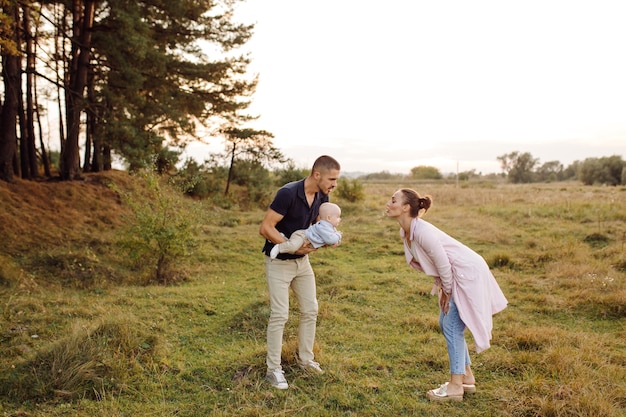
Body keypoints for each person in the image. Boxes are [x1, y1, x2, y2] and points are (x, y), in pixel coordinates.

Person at [385, 188, 508, 402]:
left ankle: (455, 386)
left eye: (393, 200)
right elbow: (436, 264)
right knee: (447, 324)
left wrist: (447, 290)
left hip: (466, 273)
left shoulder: (422, 232)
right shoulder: (407, 231)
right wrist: (443, 287)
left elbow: (443, 263)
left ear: (406, 207)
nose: (388, 203)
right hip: (456, 274)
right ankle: (466, 376)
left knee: (451, 325)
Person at [259, 155, 341, 389]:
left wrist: (323, 242)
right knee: (280, 315)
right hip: (279, 263)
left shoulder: (323, 197)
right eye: (332, 179)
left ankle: (306, 360)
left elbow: (319, 226)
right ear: (317, 175)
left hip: (303, 264)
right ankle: (273, 369)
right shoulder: (287, 193)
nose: (334, 184)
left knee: (310, 310)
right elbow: (265, 227)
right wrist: (291, 244)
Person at [270, 202, 342, 259]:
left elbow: (332, 238)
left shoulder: (330, 227)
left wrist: (336, 240)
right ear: (328, 218)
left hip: (307, 240)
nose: (340, 219)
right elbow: (330, 239)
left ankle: (284, 239)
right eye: (338, 217)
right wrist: (338, 235)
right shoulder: (323, 226)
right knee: (293, 247)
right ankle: (279, 247)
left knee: (295, 245)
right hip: (302, 236)